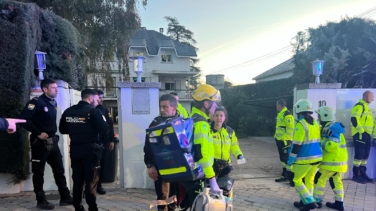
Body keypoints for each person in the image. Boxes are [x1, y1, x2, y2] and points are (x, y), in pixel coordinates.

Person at [19, 78, 73, 210]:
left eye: (56, 88)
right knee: (39, 172)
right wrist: (37, 132)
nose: (57, 90)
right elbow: (24, 119)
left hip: (52, 141)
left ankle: (65, 197)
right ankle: (41, 200)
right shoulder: (35, 103)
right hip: (40, 142)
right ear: (45, 89)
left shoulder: (52, 103)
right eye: (54, 88)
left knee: (59, 170)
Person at [59, 89, 110, 211]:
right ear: (90, 98)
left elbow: (62, 130)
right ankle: (92, 208)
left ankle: (78, 207)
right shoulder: (93, 111)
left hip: (75, 150)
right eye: (97, 99)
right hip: (90, 151)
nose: (98, 101)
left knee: (77, 182)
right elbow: (105, 129)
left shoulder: (68, 111)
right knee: (91, 182)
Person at [180, 84, 221, 209]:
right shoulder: (201, 124)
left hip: (194, 174)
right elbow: (202, 153)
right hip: (197, 175)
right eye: (215, 104)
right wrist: (212, 179)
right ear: (206, 104)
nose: (216, 107)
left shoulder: (193, 119)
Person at [144, 94, 180, 211]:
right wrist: (149, 165)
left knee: (175, 197)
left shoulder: (181, 122)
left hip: (178, 167)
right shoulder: (156, 123)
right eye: (161, 107)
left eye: (165, 107)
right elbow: (148, 146)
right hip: (161, 167)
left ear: (174, 108)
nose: (161, 110)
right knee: (163, 197)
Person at [286, 99, 322, 211]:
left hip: (304, 159)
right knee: (309, 180)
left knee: (297, 180)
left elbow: (297, 145)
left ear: (298, 111)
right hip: (317, 158)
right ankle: (305, 202)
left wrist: (290, 161)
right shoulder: (315, 123)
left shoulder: (301, 124)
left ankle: (310, 202)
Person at [312, 106, 347, 211]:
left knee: (319, 179)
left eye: (319, 116)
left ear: (324, 116)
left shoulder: (330, 129)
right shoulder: (333, 127)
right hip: (339, 163)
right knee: (336, 181)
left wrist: (320, 143)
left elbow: (330, 146)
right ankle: (339, 203)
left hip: (331, 163)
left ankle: (317, 201)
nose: (318, 118)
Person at [211, 106, 245, 178]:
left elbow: (234, 145)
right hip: (211, 166)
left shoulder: (229, 131)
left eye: (221, 116)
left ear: (225, 117)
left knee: (224, 187)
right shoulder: (208, 130)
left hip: (225, 166)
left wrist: (239, 155)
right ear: (213, 117)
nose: (219, 118)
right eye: (216, 115)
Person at [93, 89, 115, 195]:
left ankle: (99, 185)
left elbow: (110, 126)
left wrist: (112, 140)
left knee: (101, 164)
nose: (101, 99)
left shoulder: (104, 110)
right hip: (91, 141)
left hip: (103, 141)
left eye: (102, 97)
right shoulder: (90, 108)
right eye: (99, 97)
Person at [351, 90, 374, 184]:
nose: (373, 99)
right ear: (367, 97)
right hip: (360, 135)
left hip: (366, 135)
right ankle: (356, 175)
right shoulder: (359, 106)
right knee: (359, 156)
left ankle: (363, 173)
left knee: (365, 156)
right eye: (372, 97)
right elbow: (354, 119)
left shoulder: (367, 107)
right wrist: (362, 131)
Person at [274, 99, 294, 185]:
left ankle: (291, 177)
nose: (276, 107)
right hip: (279, 140)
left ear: (280, 105)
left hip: (285, 141)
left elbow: (290, 129)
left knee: (286, 159)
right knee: (282, 158)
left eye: (276, 105)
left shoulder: (287, 115)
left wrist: (284, 138)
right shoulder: (280, 114)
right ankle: (284, 175)